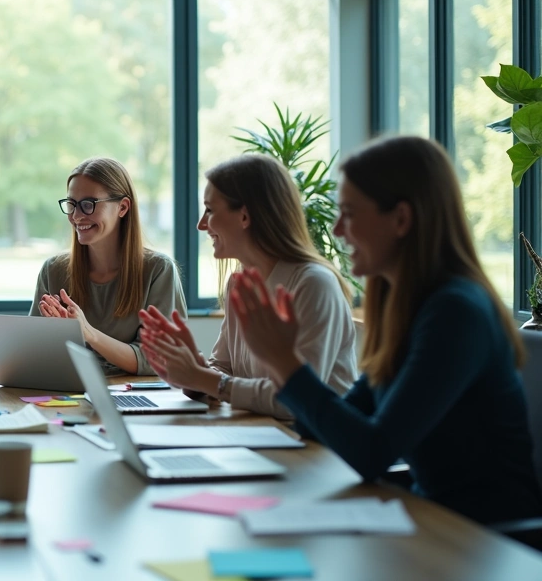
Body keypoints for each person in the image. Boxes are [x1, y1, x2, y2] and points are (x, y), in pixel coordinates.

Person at [227, 136, 542, 525]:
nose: (338, 230)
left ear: (401, 219)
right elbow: (323, 425)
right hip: (432, 522)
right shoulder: (408, 306)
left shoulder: (456, 312)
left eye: (349, 213)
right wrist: (282, 360)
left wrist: (285, 362)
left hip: (486, 539)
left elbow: (372, 453)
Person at [139, 155, 357, 419]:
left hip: (315, 448)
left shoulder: (313, 284)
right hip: (262, 437)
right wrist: (191, 370)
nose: (201, 224)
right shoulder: (238, 284)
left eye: (209, 210)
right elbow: (224, 369)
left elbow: (295, 400)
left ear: (244, 216)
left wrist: (203, 378)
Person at [30, 157, 187, 376]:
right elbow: (32, 353)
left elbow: (159, 360)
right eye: (71, 204)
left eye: (88, 204)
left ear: (123, 207)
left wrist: (88, 333)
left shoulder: (158, 271)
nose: (76, 216)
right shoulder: (53, 270)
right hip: (69, 393)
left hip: (135, 396)